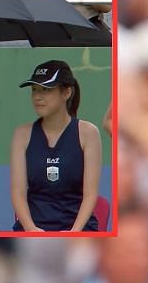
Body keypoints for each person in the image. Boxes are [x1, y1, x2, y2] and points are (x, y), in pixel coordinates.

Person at [10, 60, 102, 232]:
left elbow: (90, 194)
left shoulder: (88, 133)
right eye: (34, 90)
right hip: (33, 231)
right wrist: (31, 229)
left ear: (66, 92)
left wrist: (74, 233)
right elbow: (18, 193)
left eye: (46, 90)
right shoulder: (21, 134)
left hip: (79, 230)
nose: (38, 96)